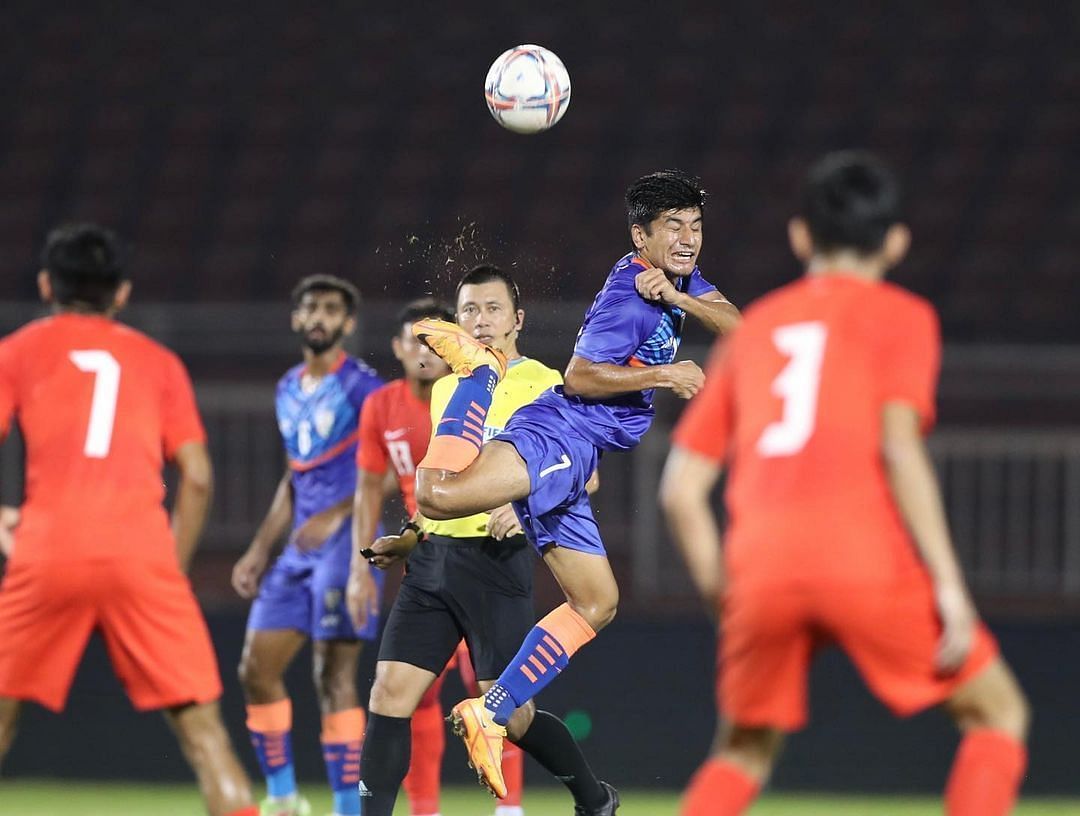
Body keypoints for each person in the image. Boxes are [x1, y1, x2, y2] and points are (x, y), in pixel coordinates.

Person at [659, 151, 1031, 816]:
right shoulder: (904, 317)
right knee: (997, 713)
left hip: (761, 566)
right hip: (862, 557)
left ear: (801, 235)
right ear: (896, 241)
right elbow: (898, 447)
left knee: (741, 752)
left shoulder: (755, 329)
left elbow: (680, 492)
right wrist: (949, 585)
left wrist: (726, 598)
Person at [402, 171, 741, 798]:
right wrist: (665, 376)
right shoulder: (627, 295)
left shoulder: (674, 282)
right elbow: (582, 375)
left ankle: (491, 709)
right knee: (439, 495)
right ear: (641, 235)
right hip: (561, 430)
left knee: (597, 602)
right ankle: (479, 374)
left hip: (579, 455)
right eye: (674, 226)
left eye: (695, 226)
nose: (689, 238)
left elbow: (738, 327)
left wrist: (682, 294)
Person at [0, 224, 257, 816]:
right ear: (121, 293)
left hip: (47, 550)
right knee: (205, 738)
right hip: (141, 554)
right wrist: (171, 567)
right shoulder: (158, 362)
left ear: (46, 285)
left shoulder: (17, 352)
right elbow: (196, 475)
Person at [351, 267, 613, 816]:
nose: (480, 320)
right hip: (432, 564)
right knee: (388, 696)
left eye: (492, 308)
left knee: (511, 718)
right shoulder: (450, 384)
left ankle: (593, 799)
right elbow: (449, 481)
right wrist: (411, 535)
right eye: (469, 310)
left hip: (498, 564)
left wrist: (524, 506)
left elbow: (587, 474)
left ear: (517, 319)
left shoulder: (546, 384)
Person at [231, 275, 383, 816]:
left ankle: (346, 809)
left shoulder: (366, 388)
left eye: (331, 310)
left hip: (346, 546)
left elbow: (384, 473)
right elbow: (294, 478)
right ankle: (283, 798)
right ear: (297, 319)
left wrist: (335, 516)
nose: (319, 317)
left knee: (332, 676)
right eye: (310, 308)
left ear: (347, 324)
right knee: (256, 669)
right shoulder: (287, 387)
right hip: (297, 551)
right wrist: (257, 548)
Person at [347, 295, 466, 816]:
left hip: (479, 550)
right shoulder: (381, 406)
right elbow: (369, 489)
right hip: (424, 559)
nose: (425, 349)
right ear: (395, 348)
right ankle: (426, 810)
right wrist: (358, 572)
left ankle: (511, 809)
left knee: (496, 692)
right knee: (414, 695)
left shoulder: (474, 395)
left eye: (435, 338)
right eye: (415, 338)